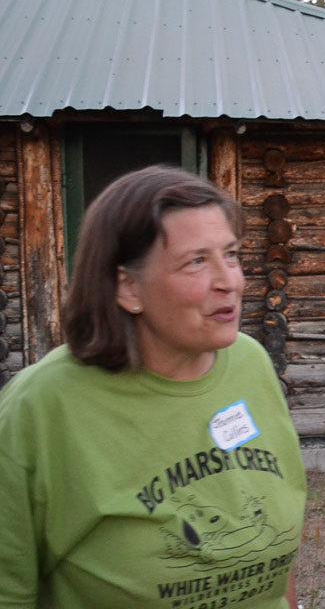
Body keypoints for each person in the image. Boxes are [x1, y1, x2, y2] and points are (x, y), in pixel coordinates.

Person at [0, 166, 307, 608]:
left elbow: (278, 528)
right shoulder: (41, 405)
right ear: (128, 288)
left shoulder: (250, 362)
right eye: (197, 261)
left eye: (232, 254)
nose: (231, 282)